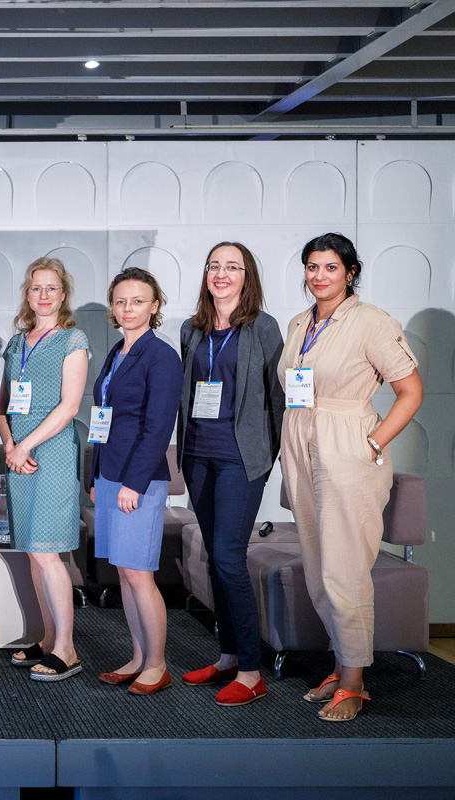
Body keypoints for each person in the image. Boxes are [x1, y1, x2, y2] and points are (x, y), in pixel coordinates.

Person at [279, 232, 422, 722]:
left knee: (345, 569)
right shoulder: (300, 322)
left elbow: (410, 391)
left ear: (350, 272)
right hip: (300, 441)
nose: (320, 276)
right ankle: (343, 667)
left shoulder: (371, 322)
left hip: (347, 445)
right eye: (312, 267)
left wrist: (374, 442)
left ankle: (356, 682)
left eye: (331, 268)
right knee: (319, 569)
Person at [175, 242, 284, 707]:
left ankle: (251, 670)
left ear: (247, 276)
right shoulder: (192, 328)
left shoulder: (263, 327)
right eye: (214, 266)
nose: (222, 274)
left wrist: (269, 455)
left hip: (241, 460)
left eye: (232, 267)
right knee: (215, 560)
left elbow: (277, 397)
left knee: (228, 556)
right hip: (198, 455)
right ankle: (227, 656)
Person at [88, 267, 182, 696]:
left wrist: (133, 483)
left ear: (155, 306)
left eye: (138, 301)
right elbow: (102, 421)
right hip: (110, 476)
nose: (128, 308)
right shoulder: (116, 354)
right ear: (113, 307)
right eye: (121, 301)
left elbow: (158, 428)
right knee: (124, 572)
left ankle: (158, 664)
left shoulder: (161, 357)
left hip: (136, 482)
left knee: (140, 573)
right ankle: (138, 656)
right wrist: (95, 476)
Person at [0, 257, 88, 683]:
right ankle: (49, 638)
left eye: (52, 288)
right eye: (37, 288)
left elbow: (70, 407)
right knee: (33, 550)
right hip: (20, 456)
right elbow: (3, 405)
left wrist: (26, 445)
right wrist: (11, 446)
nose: (44, 295)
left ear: (63, 293)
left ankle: (67, 650)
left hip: (50, 455)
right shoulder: (16, 344)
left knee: (49, 552)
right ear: (27, 294)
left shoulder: (74, 339)